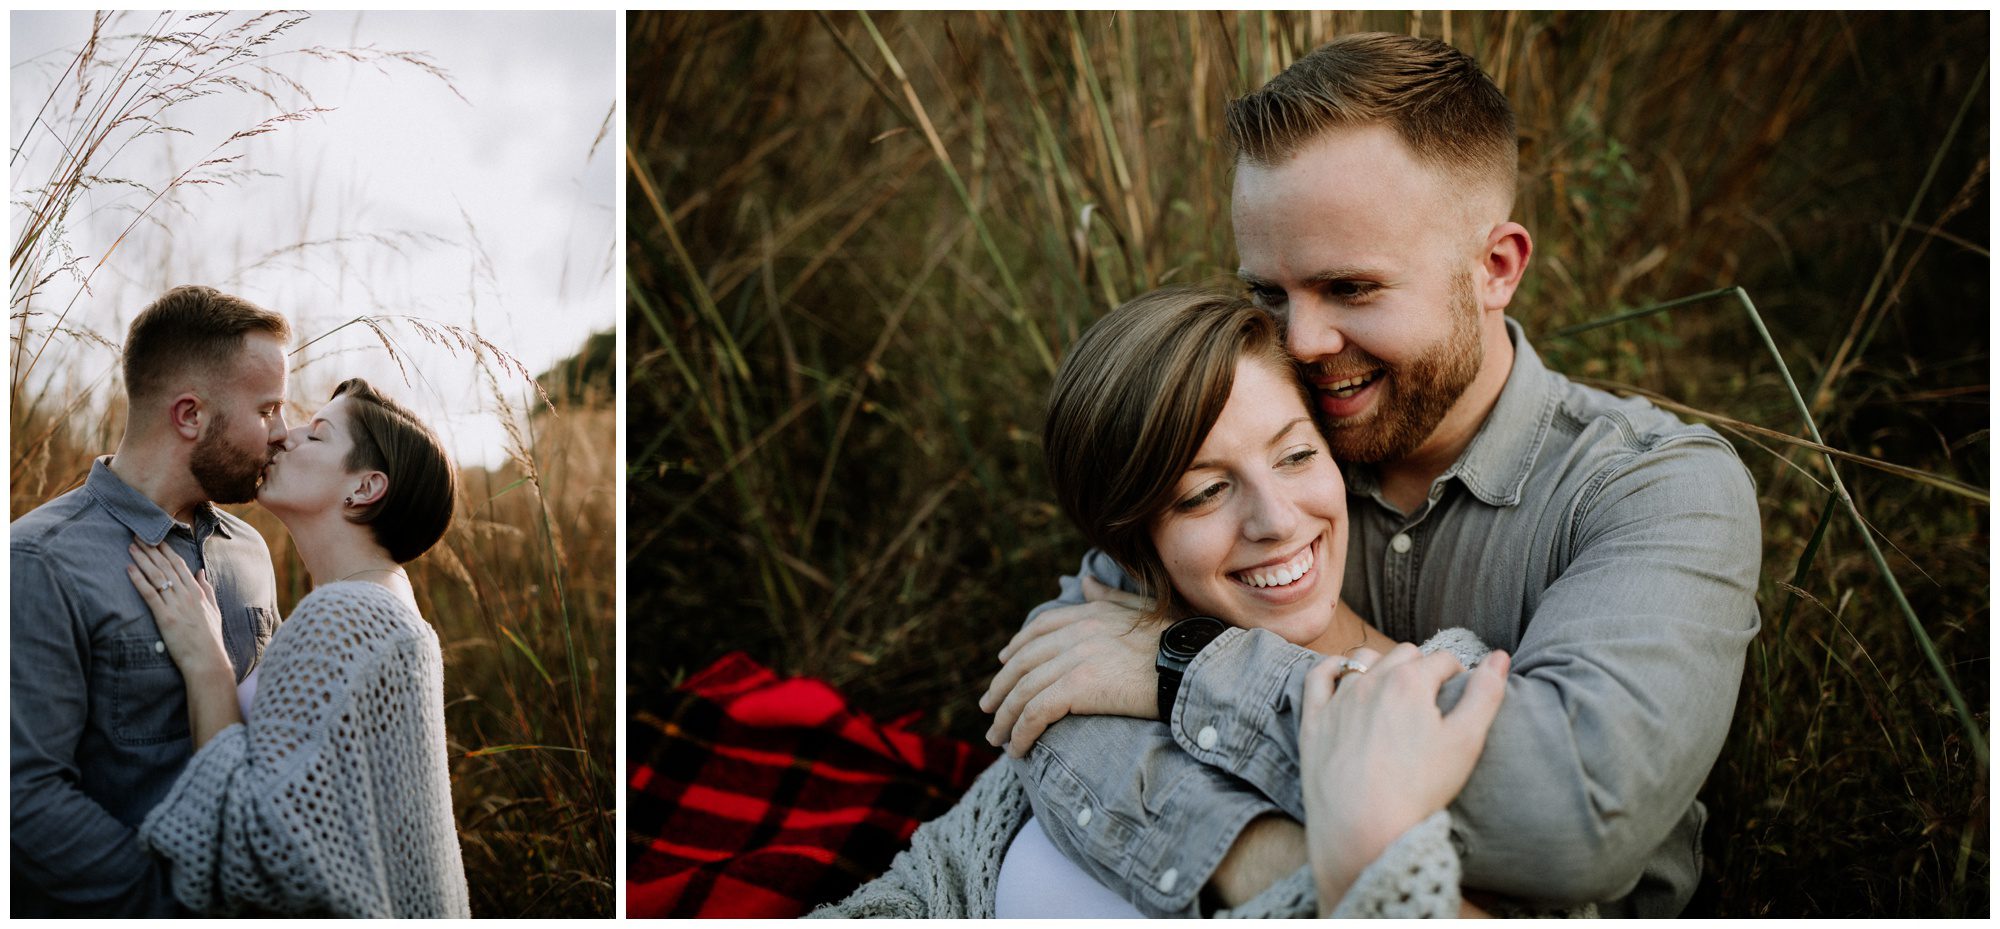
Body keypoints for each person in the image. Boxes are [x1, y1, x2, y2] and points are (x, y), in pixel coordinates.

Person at [981, 32, 1762, 917]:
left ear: (1495, 269)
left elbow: (1572, 817)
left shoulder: (1654, 491)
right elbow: (1057, 684)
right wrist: (1280, 865)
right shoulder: (1267, 431)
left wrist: (1185, 669)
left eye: (1350, 288)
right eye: (1269, 295)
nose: (1303, 343)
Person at [817, 289, 1512, 918]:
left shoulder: (1440, 684)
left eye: (1295, 456)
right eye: (1204, 492)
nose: (1274, 519)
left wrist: (1256, 854)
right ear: (1137, 546)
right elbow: (920, 890)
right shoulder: (1102, 644)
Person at [126, 377, 471, 917]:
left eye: (317, 435)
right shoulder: (386, 607)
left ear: (364, 488)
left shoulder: (348, 616)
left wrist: (206, 663)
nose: (284, 436)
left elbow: (264, 853)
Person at [12, 284, 291, 916]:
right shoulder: (39, 561)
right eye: (269, 408)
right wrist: (179, 903)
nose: (284, 433)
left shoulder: (249, 552)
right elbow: (23, 797)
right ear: (190, 415)